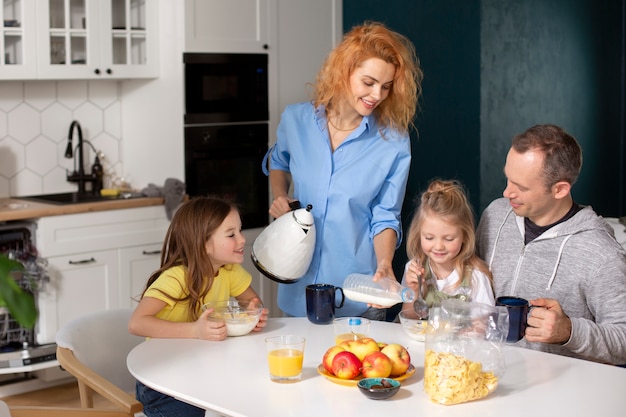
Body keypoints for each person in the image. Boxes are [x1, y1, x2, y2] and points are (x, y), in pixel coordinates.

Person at [262, 21, 423, 319]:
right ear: (344, 71)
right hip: (299, 286)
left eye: (386, 86)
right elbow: (279, 161)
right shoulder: (296, 120)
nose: (377, 94)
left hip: (356, 291)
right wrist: (279, 194)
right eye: (369, 82)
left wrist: (385, 265)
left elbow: (386, 214)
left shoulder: (394, 142)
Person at [476, 124, 626, 364]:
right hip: (487, 375)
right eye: (508, 178)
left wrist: (569, 332)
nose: (506, 192)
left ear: (560, 189)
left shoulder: (602, 254)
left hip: (559, 391)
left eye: (521, 187)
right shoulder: (495, 215)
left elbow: (623, 340)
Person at [128, 196, 269, 417]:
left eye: (240, 231)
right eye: (231, 234)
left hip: (202, 372)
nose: (242, 239)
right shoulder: (176, 278)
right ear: (203, 243)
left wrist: (253, 313)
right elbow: (137, 323)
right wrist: (195, 330)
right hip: (163, 382)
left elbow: (252, 303)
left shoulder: (228, 270)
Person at [400, 179, 494, 316]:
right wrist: (415, 291)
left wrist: (473, 329)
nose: (438, 246)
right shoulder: (413, 269)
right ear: (418, 234)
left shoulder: (476, 277)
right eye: (429, 238)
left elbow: (484, 323)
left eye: (449, 239)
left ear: (465, 237)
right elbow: (408, 319)